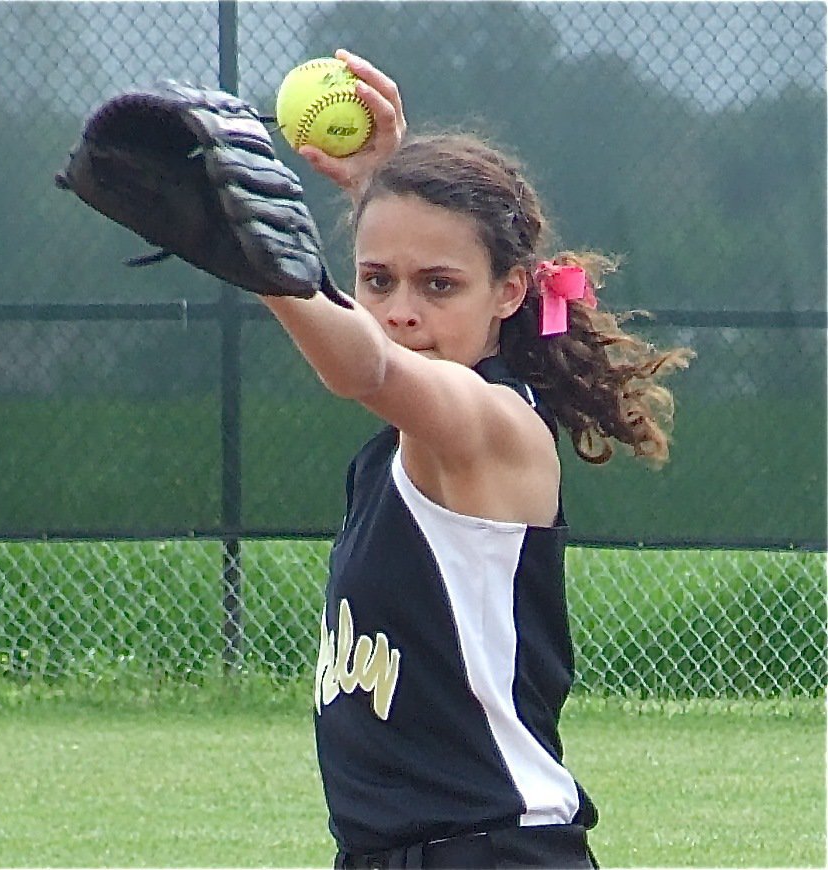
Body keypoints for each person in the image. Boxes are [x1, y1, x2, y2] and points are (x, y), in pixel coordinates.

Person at [260, 49, 693, 869]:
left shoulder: (491, 426)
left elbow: (368, 367)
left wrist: (258, 260)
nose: (400, 311)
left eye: (441, 286)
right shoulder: (397, 453)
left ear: (512, 293)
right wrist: (382, 186)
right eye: (376, 280)